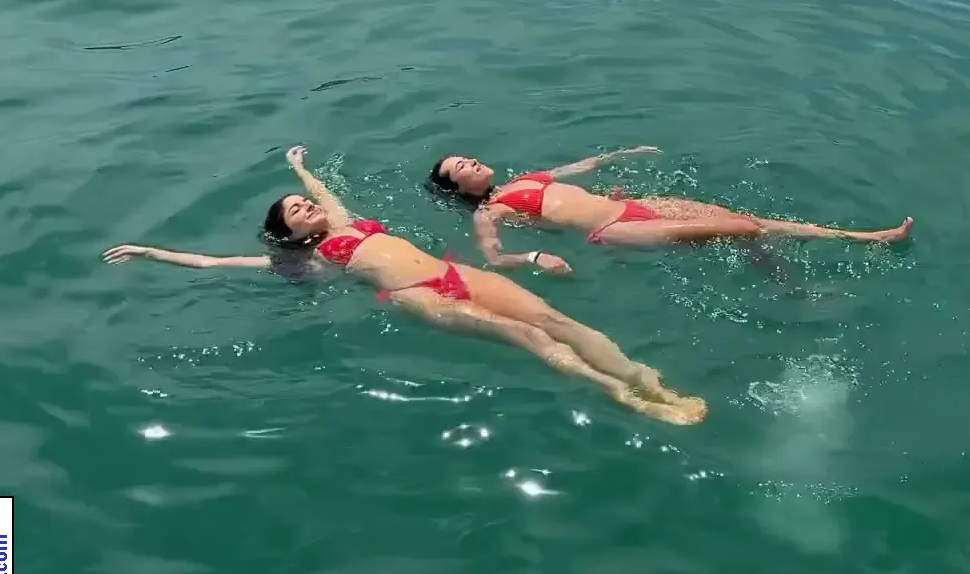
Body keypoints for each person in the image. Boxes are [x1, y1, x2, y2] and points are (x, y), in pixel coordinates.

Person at [104, 146, 706, 426]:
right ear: (288, 232)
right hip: (422, 296)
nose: (306, 208)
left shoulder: (344, 223)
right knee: (530, 337)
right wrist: (151, 251)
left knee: (557, 321)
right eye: (294, 211)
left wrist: (299, 168)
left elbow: (325, 193)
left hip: (455, 273)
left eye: (302, 203)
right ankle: (621, 394)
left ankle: (645, 378)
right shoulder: (307, 261)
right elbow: (211, 264)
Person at [426, 147, 913, 271]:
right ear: (458, 188)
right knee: (744, 229)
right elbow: (493, 258)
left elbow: (580, 167)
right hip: (615, 230)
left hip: (632, 206)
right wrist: (535, 258)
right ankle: (867, 241)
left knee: (741, 221)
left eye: (466, 157)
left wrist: (622, 155)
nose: (470, 161)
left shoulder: (526, 178)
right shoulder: (489, 213)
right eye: (459, 167)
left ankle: (798, 274)